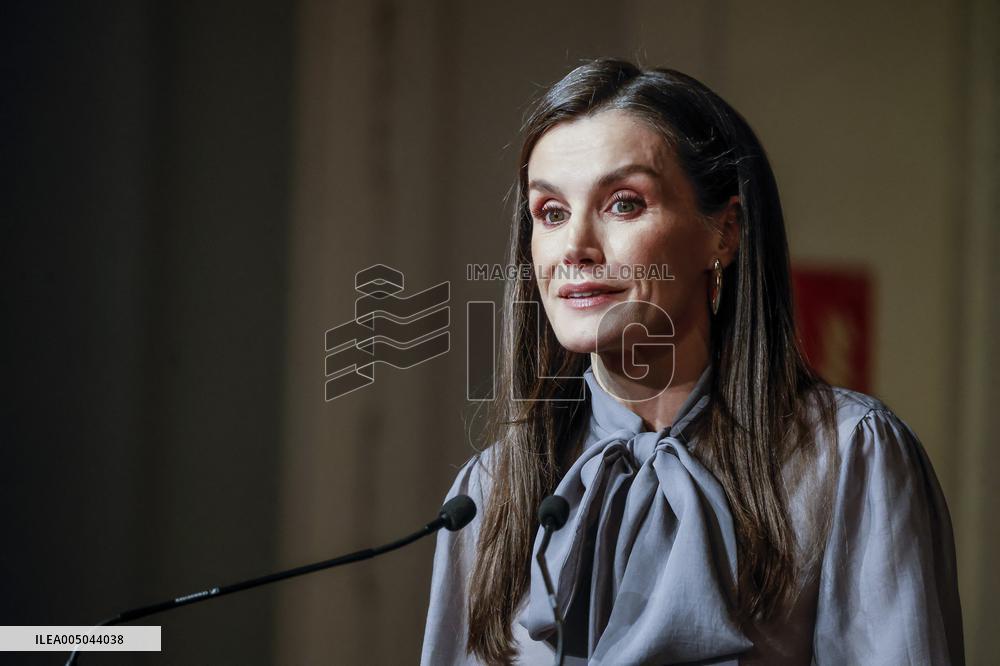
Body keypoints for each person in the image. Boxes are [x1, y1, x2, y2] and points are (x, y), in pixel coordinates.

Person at [420, 59, 964, 665]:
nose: (574, 247)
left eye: (623, 204)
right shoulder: (489, 492)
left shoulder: (847, 456)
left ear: (723, 232)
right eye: (550, 212)